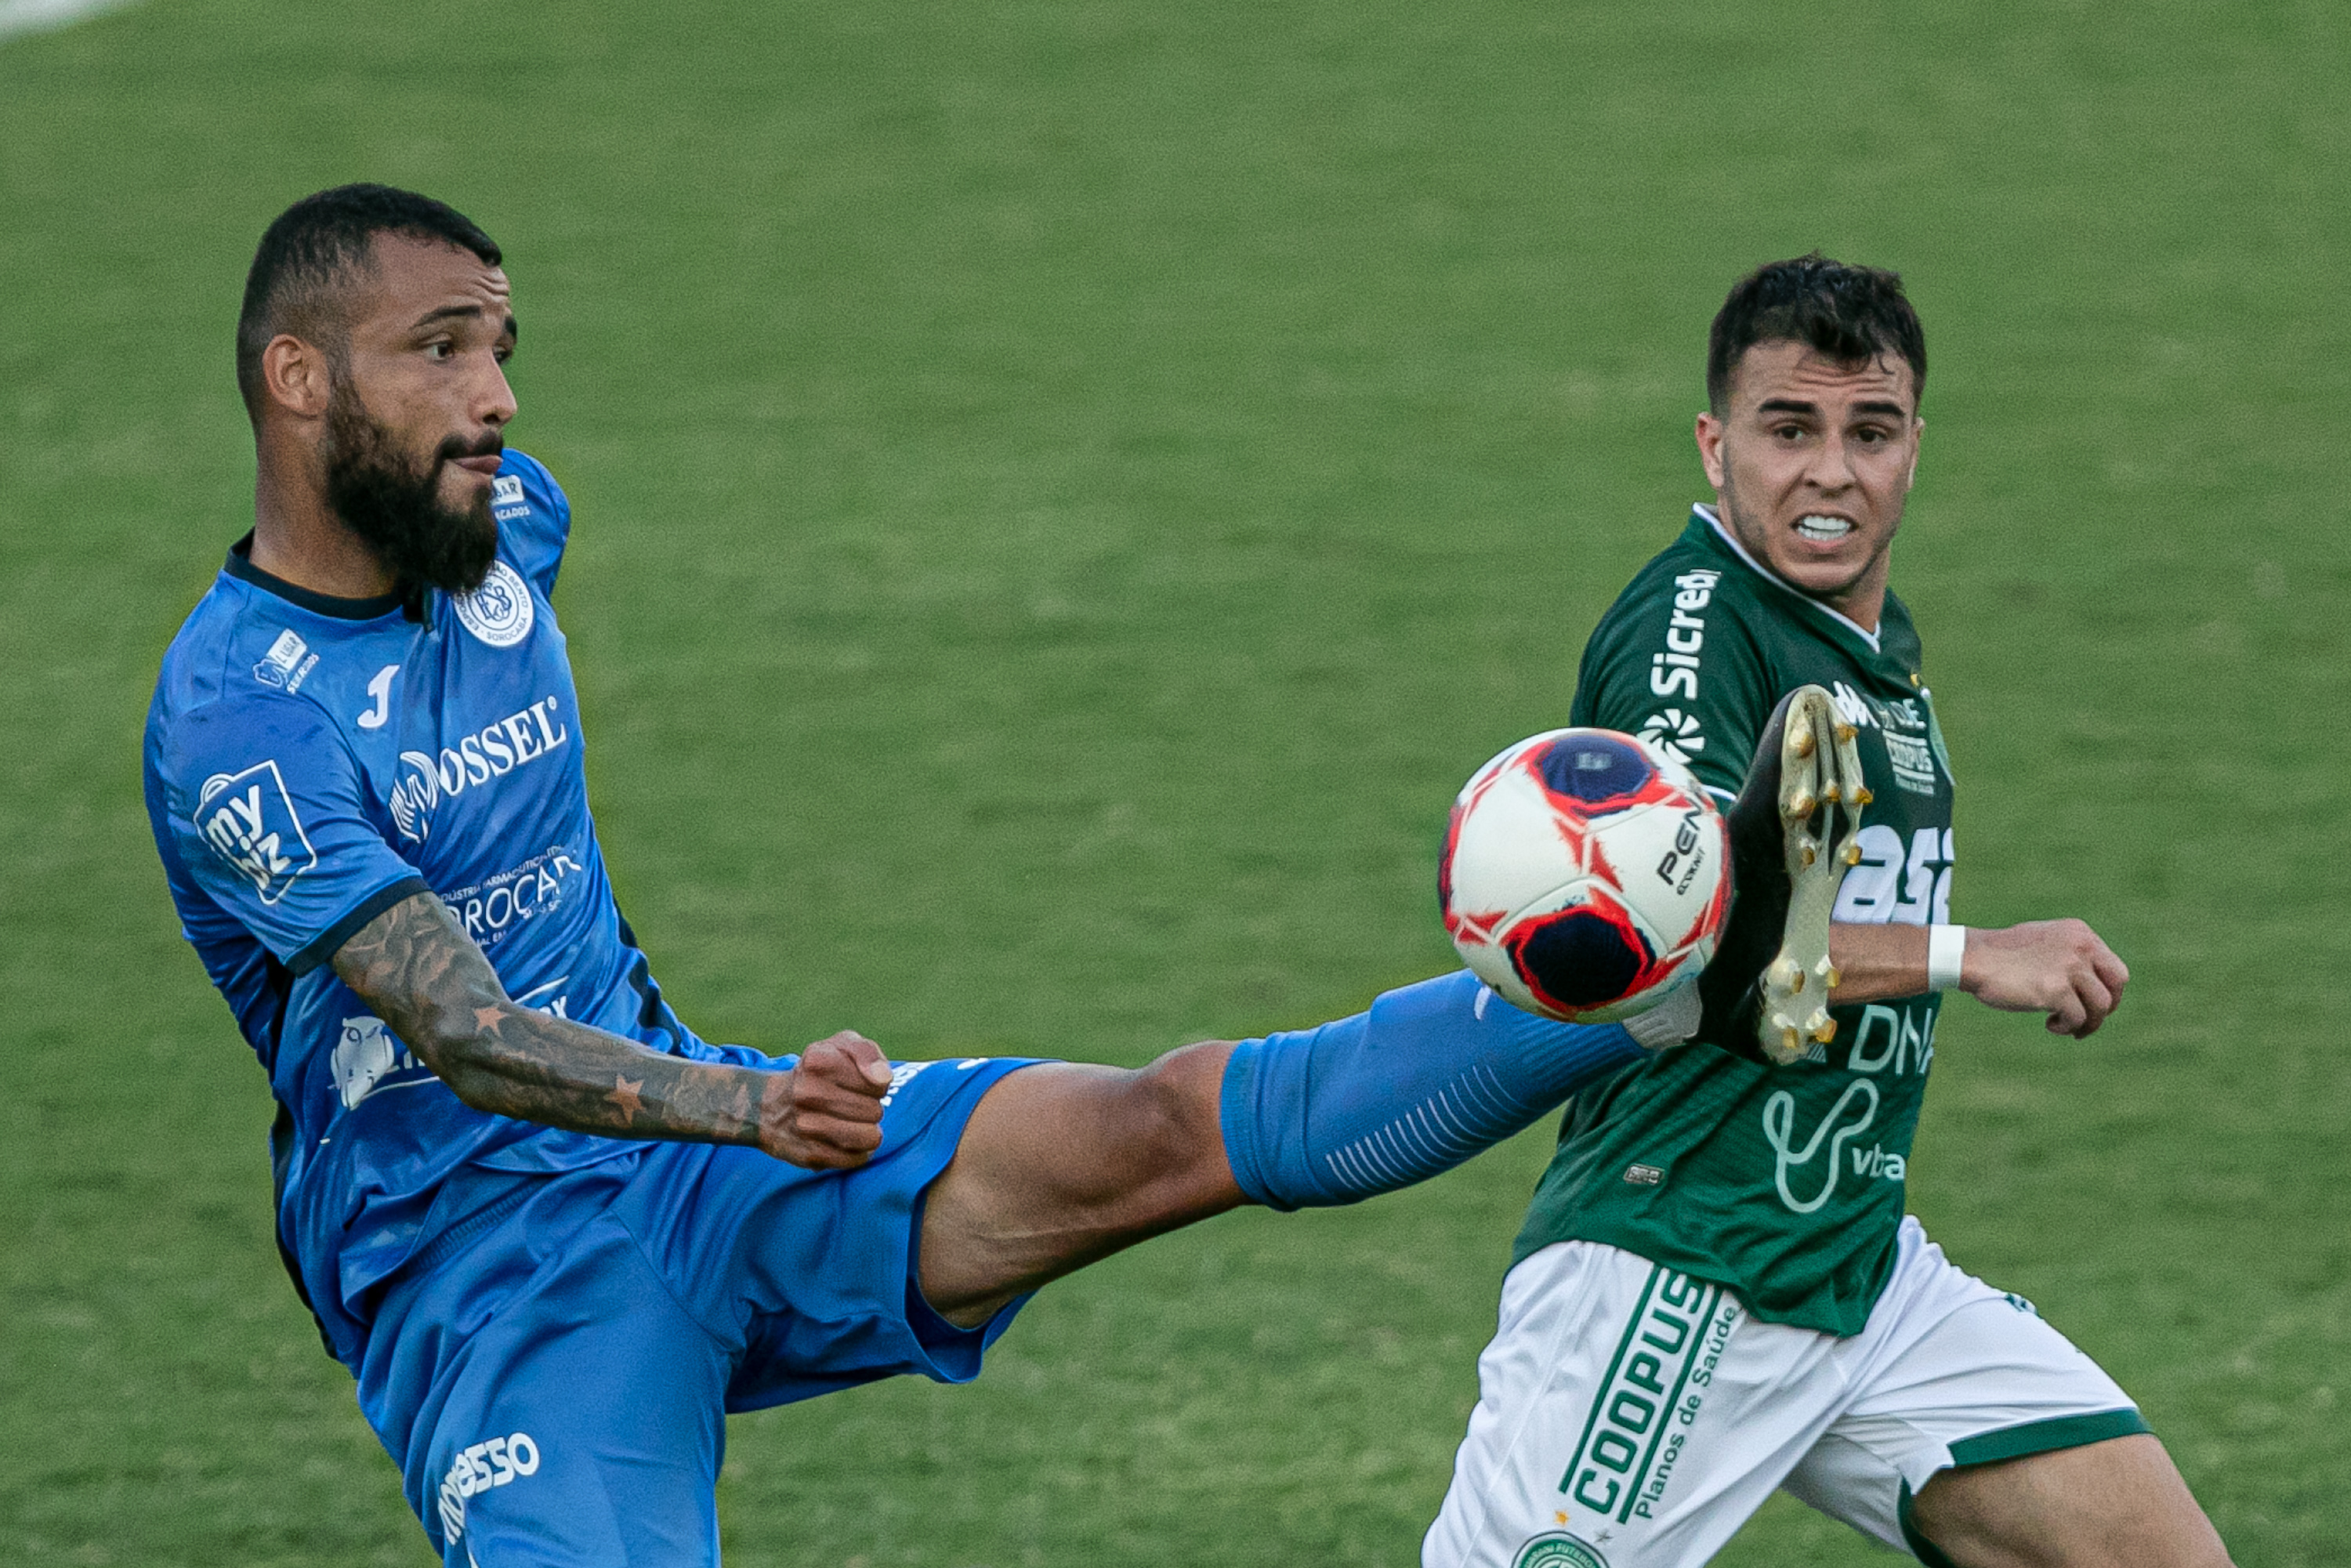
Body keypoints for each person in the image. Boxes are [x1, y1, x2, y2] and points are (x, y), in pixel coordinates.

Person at [143, 185, 1857, 1566]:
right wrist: (746, 1113)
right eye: (440, 351)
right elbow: (467, 1030)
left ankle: (1684, 968)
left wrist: (740, 1124)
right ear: (300, 382)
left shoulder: (505, 528)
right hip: (489, 1274)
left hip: (701, 1162)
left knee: (1164, 1127)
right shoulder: (242, 725)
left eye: (503, 348)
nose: (498, 395)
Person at [1423, 256, 2233, 1568]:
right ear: (1716, 441)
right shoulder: (1695, 630)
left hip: (1854, 1269)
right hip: (1680, 1260)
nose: (1831, 473)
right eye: (1788, 430)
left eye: (1871, 431)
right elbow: (1694, 938)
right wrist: (1973, 956)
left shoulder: (1871, 645)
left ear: (1917, 446)